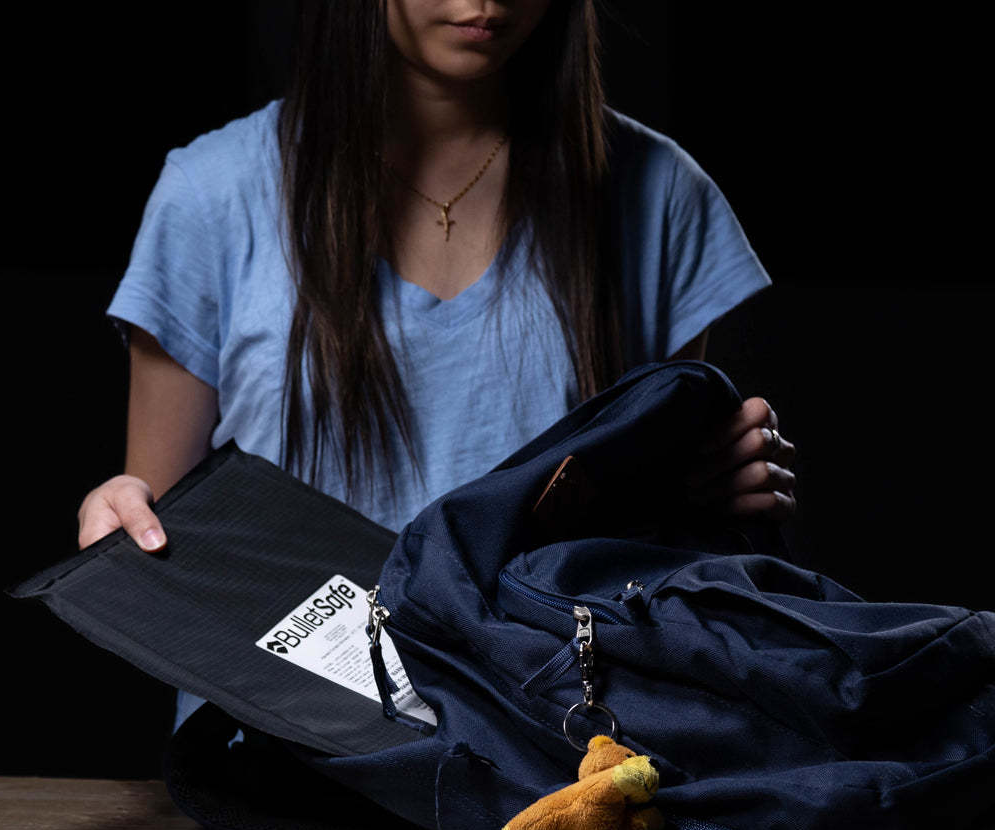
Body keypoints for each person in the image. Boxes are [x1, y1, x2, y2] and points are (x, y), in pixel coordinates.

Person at [79, 1, 796, 561]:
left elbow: (652, 537)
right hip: (268, 703)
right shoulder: (210, 194)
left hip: (546, 701)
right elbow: (161, 533)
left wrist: (711, 493)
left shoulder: (657, 194)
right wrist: (122, 514)